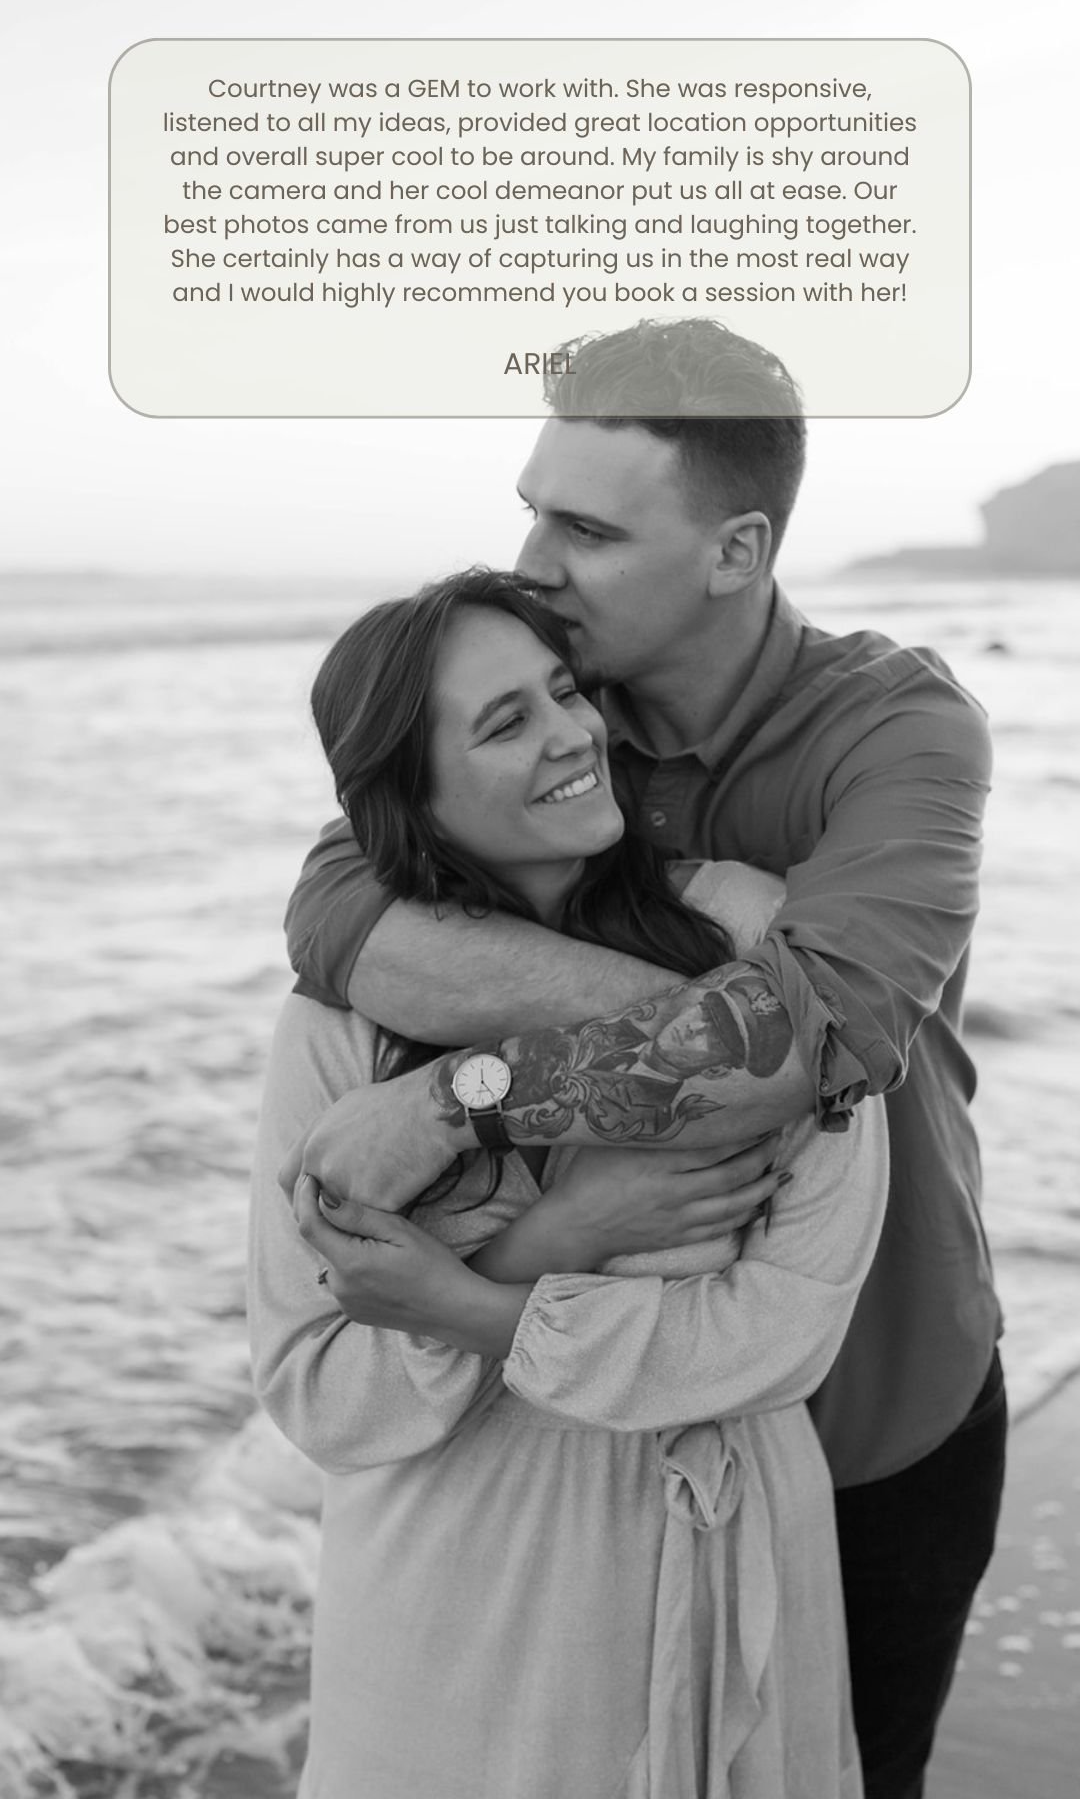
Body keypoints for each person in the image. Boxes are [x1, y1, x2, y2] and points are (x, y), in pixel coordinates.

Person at [281, 320, 1006, 1799]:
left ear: (736, 551)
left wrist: (461, 1095)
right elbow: (338, 903)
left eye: (589, 528)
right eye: (535, 506)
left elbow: (795, 1040)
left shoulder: (900, 732)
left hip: (870, 1397)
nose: (535, 556)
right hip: (587, 1436)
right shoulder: (556, 704)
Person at [250, 569, 888, 1797]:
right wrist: (561, 1233)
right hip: (455, 1599)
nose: (572, 734)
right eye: (504, 723)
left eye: (564, 691)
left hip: (730, 1541)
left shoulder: (760, 946)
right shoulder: (343, 1029)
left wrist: (476, 1303)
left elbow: (792, 1328)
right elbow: (322, 1392)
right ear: (411, 802)